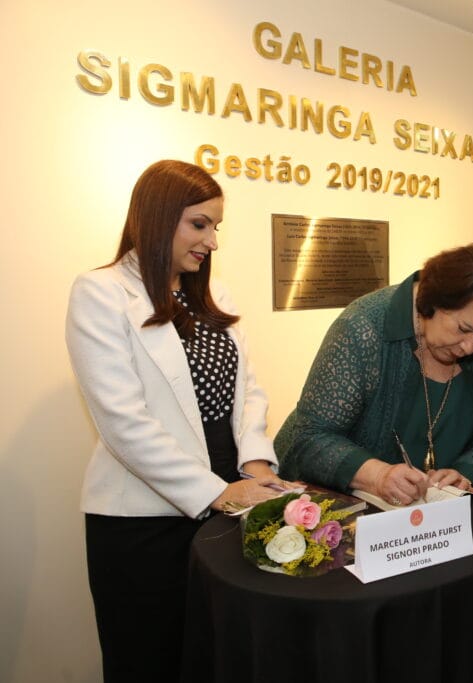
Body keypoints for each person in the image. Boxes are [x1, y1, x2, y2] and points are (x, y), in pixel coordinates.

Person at [65, 160, 289, 683]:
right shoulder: (100, 292)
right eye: (199, 224)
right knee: (150, 660)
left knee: (218, 655)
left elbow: (247, 390)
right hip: (144, 521)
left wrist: (255, 464)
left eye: (216, 226)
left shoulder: (215, 295)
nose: (213, 241)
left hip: (229, 499)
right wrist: (217, 492)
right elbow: (123, 423)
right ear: (158, 216)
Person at [275, 243, 473, 503]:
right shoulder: (362, 328)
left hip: (419, 515)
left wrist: (464, 473)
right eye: (463, 329)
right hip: (329, 508)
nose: (469, 347)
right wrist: (377, 475)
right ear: (435, 300)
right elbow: (310, 438)